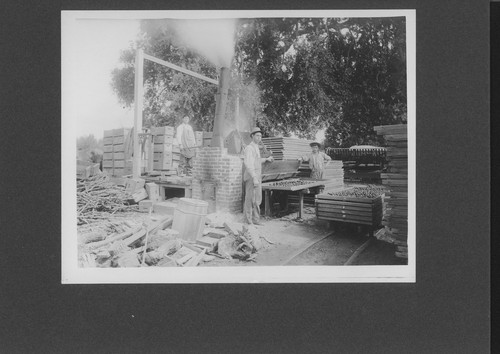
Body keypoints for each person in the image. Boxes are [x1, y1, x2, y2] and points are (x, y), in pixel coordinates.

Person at [243, 127, 274, 225]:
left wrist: (266, 159)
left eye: (260, 136)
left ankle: (256, 220)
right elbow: (249, 164)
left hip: (257, 176)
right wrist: (254, 178)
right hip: (252, 177)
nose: (259, 138)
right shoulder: (249, 148)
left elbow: (257, 161)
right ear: (252, 136)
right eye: (257, 136)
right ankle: (248, 221)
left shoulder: (256, 147)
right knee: (250, 199)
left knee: (257, 199)